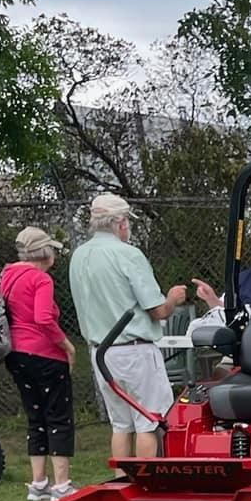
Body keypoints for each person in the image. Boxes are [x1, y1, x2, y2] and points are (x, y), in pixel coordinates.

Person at [66, 193, 188, 464]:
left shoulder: (78, 257)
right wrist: (173, 298)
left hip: (101, 352)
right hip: (135, 350)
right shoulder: (128, 255)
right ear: (120, 222)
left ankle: (122, 482)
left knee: (120, 424)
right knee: (148, 419)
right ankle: (146, 481)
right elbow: (157, 310)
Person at [0, 227, 77, 501]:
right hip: (45, 354)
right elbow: (43, 318)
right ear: (45, 251)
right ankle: (62, 485)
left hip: (15, 354)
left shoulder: (4, 277)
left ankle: (39, 483)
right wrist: (65, 344)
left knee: (36, 415)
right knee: (58, 415)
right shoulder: (41, 279)